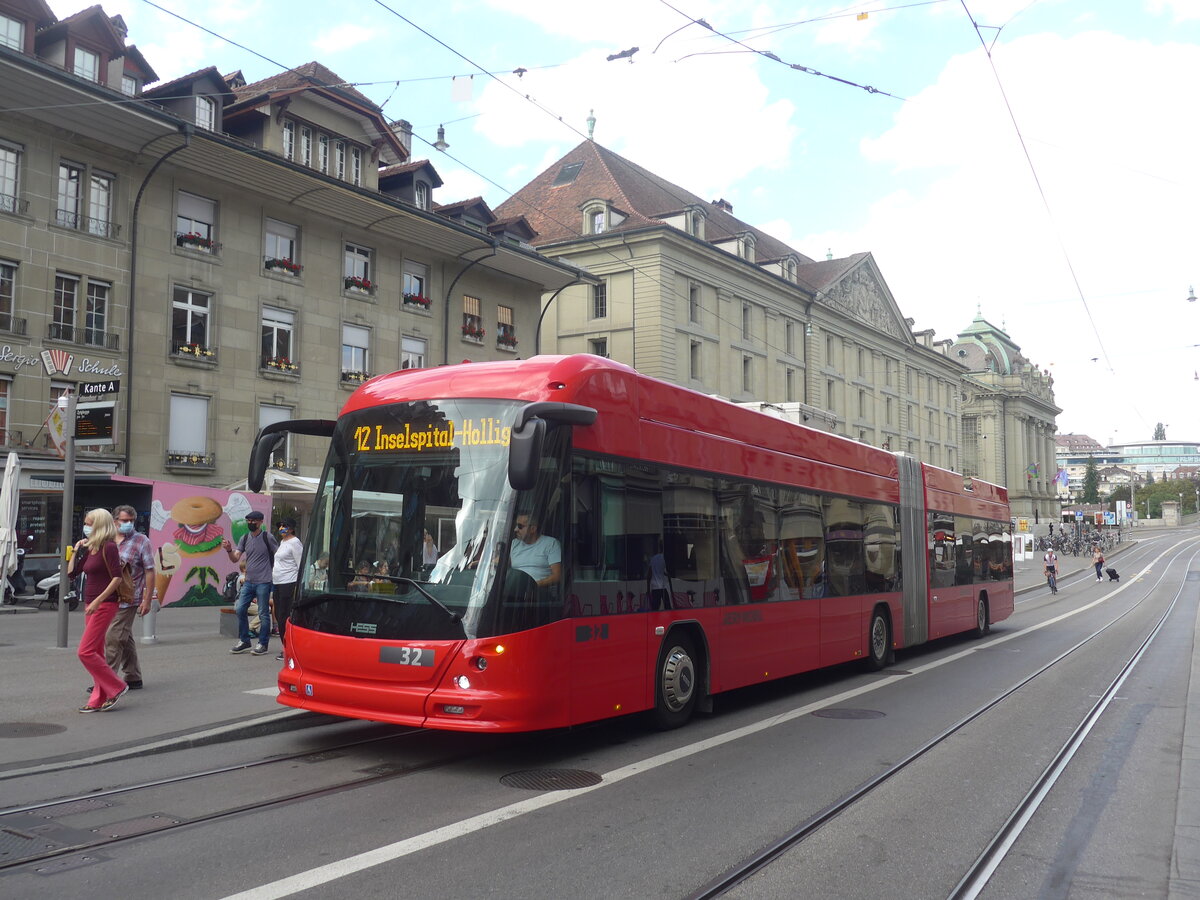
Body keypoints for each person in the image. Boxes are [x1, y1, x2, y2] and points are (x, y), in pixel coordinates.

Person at [69, 508, 129, 712]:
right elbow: (72, 573)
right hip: (90, 603)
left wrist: (97, 602)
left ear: (99, 525)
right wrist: (76, 550)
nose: (85, 527)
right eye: (85, 523)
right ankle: (97, 698)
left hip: (104, 604)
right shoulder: (92, 547)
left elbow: (117, 577)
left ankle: (117, 686)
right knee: (95, 652)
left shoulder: (109, 547)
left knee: (85, 652)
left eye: (89, 523)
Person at [104, 505, 155, 689]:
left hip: (128, 598)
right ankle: (133, 677)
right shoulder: (108, 539)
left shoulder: (141, 541)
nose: (129, 524)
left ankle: (106, 681)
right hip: (108, 597)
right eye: (125, 520)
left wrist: (147, 599)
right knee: (124, 637)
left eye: (131, 521)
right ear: (115, 520)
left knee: (113, 638)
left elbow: (150, 571)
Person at [221, 510, 278, 655]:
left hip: (264, 581)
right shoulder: (245, 538)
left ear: (260, 522)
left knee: (263, 613)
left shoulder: (268, 537)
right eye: (248, 521)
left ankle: (262, 644)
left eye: (253, 521)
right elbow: (235, 558)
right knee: (240, 609)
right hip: (249, 581)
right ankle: (245, 640)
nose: (250, 523)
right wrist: (228, 550)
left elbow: (278, 556)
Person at [270, 518, 302, 662]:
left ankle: (288, 648)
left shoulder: (295, 543)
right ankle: (285, 646)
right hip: (277, 582)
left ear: (291, 528)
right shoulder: (282, 543)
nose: (281, 528)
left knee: (284, 616)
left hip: (289, 582)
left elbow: (300, 564)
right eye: (280, 525)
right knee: (277, 614)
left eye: (284, 526)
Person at [509, 513, 561, 588]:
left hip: (539, 592)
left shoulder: (551, 543)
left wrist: (534, 585)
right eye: (516, 526)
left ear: (533, 529)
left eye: (520, 526)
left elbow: (557, 576)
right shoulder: (514, 543)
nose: (515, 529)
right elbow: (501, 563)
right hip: (514, 590)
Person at [647, 541, 671, 611]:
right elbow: (664, 571)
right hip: (663, 587)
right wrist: (668, 575)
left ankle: (655, 620)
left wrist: (648, 589)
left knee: (655, 608)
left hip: (655, 587)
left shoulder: (653, 559)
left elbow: (649, 575)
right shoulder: (665, 558)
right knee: (668, 607)